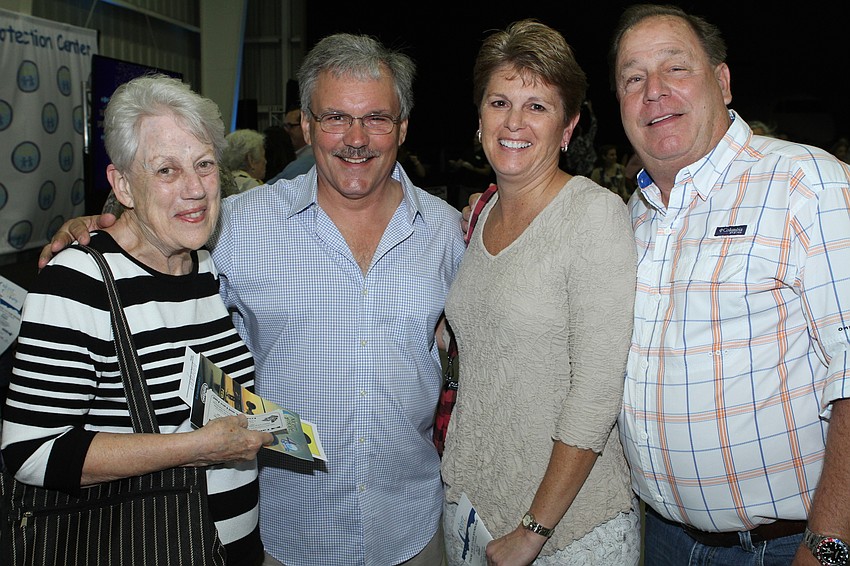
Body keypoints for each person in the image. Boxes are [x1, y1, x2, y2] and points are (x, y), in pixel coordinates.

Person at [39, 34, 466, 566]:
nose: (356, 139)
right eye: (335, 117)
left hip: (411, 528)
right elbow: (152, 233)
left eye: (376, 118)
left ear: (402, 128)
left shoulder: (446, 234)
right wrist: (91, 230)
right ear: (306, 126)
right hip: (289, 530)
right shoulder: (238, 226)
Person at [609, 5, 850, 565]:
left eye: (676, 68)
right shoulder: (633, 218)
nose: (654, 91)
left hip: (788, 544)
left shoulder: (804, 182)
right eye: (633, 78)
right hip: (663, 539)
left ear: (722, 81)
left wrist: (830, 546)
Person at [1, 75, 274, 566]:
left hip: (233, 547)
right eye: (166, 170)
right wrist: (194, 448)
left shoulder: (205, 267)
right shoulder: (78, 281)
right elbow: (31, 452)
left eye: (205, 165)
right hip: (145, 544)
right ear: (122, 185)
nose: (194, 189)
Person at [441, 19, 640, 565]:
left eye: (537, 106)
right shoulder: (480, 216)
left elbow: (596, 392)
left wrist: (533, 530)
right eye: (499, 102)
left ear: (568, 127)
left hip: (568, 531)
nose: (514, 122)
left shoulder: (593, 215)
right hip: (471, 509)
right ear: (479, 117)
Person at [267, 107, 316, 182]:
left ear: (305, 127)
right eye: (284, 126)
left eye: (290, 126)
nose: (285, 130)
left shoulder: (310, 159)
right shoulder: (283, 152)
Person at [222, 128, 267, 195]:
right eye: (263, 156)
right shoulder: (253, 187)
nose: (265, 161)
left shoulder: (220, 183)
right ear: (250, 159)